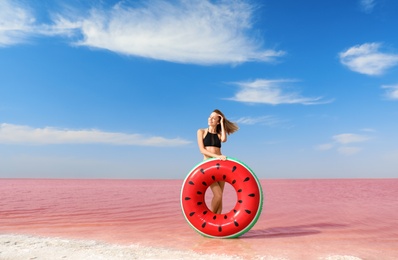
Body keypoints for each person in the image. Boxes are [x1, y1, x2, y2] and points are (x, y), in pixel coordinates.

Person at [197, 109, 239, 214]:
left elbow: (224, 139)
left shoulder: (219, 134)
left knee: (220, 198)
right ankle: (211, 218)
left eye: (213, 118)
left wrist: (222, 123)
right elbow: (202, 150)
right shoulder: (201, 131)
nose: (210, 119)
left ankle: (217, 225)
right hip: (208, 165)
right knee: (218, 194)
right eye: (209, 117)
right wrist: (217, 157)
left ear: (217, 121)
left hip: (220, 165)